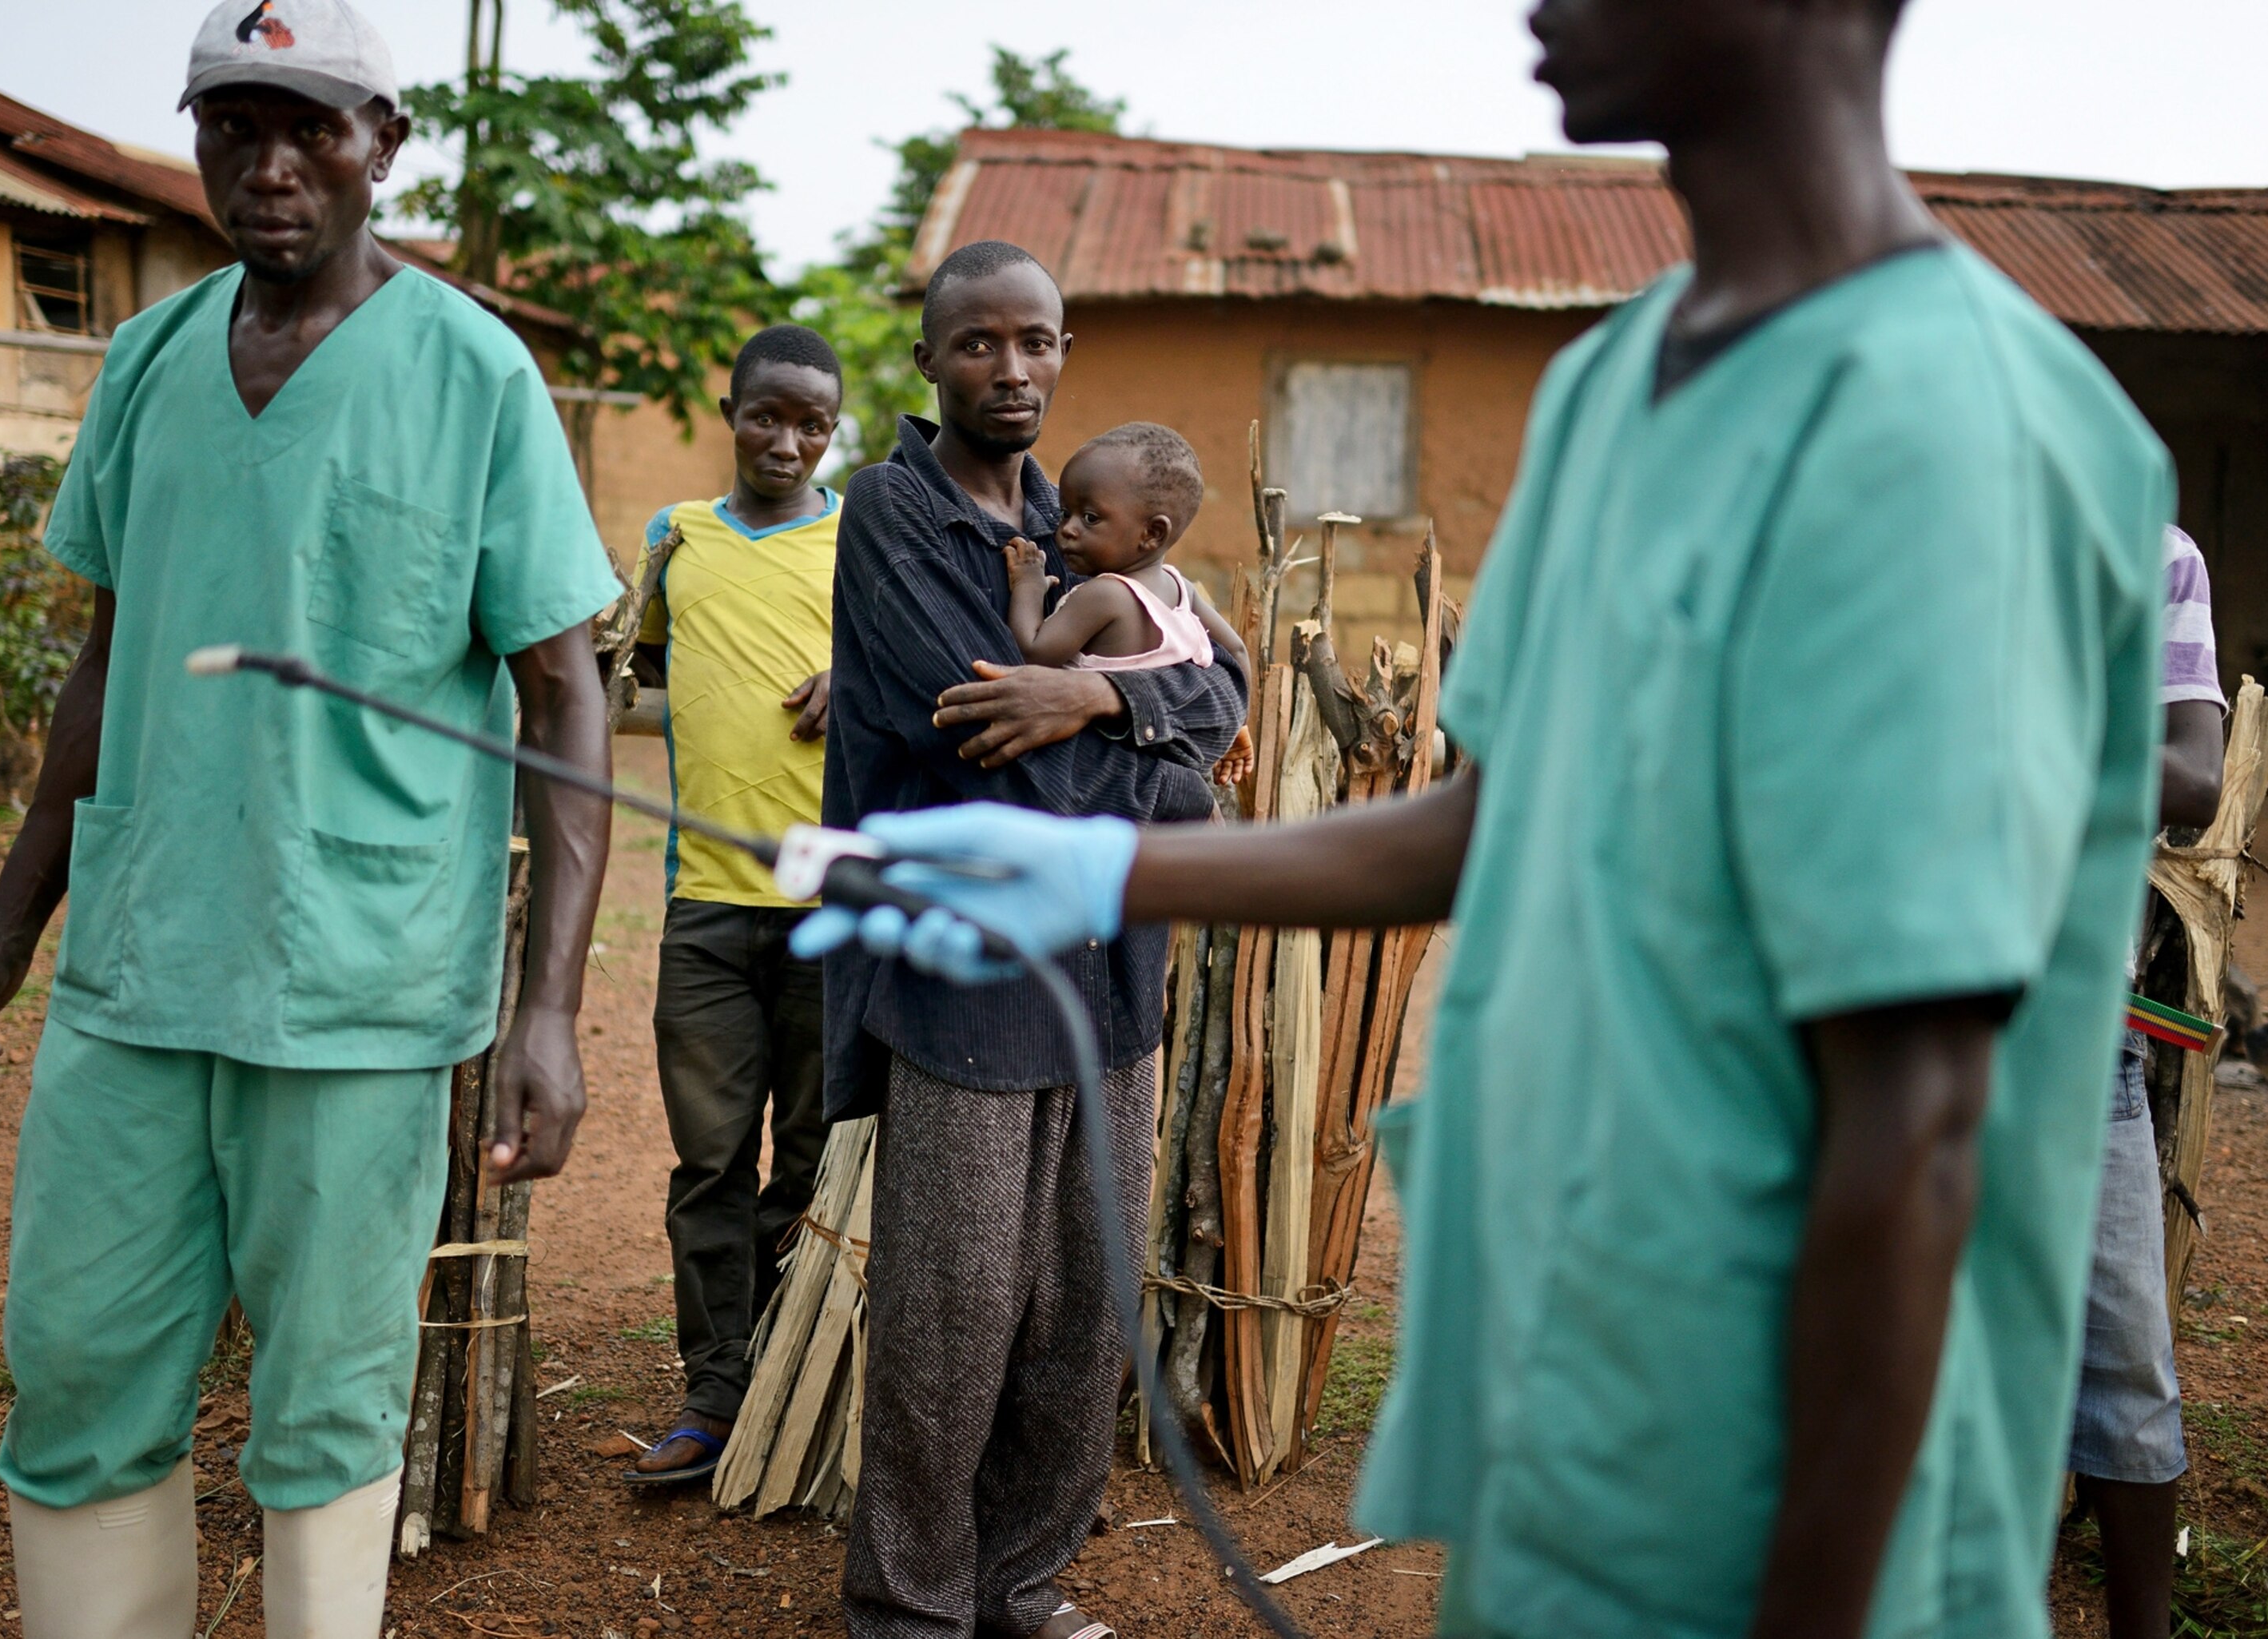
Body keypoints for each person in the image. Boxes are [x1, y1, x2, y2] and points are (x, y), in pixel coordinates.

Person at [797, 2, 2176, 1635]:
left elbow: (1922, 1115)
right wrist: (1105, 857)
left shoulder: (1952, 422)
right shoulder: (1613, 386)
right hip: (1575, 1398)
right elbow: (1495, 813)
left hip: (1806, 1487)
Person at [0, 3, 621, 1633]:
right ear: (200, 138)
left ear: (386, 145)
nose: (272, 163)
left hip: (355, 981)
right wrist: (5, 932)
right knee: (77, 1362)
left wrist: (551, 1010)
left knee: (327, 1399)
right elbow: (106, 659)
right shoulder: (150, 358)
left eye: (314, 127)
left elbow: (569, 692)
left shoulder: (472, 372)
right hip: (140, 968)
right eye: (236, 125)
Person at [815, 241, 1244, 1639]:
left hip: (1109, 979)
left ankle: (1021, 1579)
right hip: (968, 981)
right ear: (929, 359)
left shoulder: (1090, 516)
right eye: (981, 344)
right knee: (951, 1313)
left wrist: (1110, 710)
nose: (1013, 370)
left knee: (1082, 1307)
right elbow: (994, 744)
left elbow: (1222, 681)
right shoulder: (893, 514)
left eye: (1038, 342)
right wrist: (1168, 774)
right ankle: (912, 1608)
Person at [620, 323, 844, 1488]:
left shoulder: (863, 536)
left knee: (807, 1155)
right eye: (769, 415)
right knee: (709, 1159)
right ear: (731, 408)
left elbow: (926, 670)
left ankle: (789, 1379)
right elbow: (640, 668)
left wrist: (856, 671)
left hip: (826, 899)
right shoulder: (677, 538)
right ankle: (713, 1388)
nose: (789, 440)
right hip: (702, 896)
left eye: (814, 422)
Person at [2070, 525, 2227, 1637]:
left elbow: (2195, 775)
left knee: (2127, 1366)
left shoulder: (2153, 557)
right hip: (1890, 1026)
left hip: (2076, 1042)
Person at [1005, 423, 1253, 795]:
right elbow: (1236, 651)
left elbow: (1033, 652)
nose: (1068, 530)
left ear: (1152, 533)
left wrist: (1027, 584)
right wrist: (1234, 723)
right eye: (1064, 513)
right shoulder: (1181, 589)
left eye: (1090, 518)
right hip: (1170, 778)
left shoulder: (1105, 595)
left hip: (1100, 780)